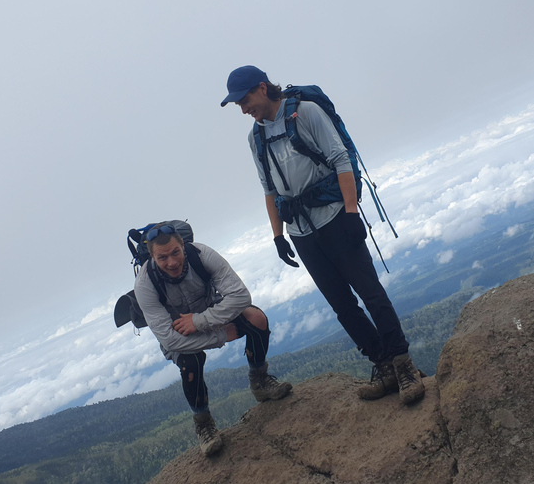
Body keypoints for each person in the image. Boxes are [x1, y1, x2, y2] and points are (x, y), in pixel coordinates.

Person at [220, 65, 424, 405]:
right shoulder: (255, 138)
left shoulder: (305, 112)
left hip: (335, 218)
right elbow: (269, 191)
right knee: (342, 306)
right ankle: (384, 366)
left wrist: (351, 213)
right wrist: (278, 236)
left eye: (244, 100)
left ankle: (404, 366)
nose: (243, 109)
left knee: (370, 294)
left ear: (261, 87)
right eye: (238, 105)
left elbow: (340, 159)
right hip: (301, 231)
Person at [134, 223, 292, 456]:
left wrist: (199, 322)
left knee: (256, 319)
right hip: (179, 333)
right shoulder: (145, 284)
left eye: (175, 252)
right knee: (190, 362)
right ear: (152, 257)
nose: (172, 262)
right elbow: (169, 341)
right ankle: (203, 423)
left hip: (209, 315)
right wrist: (220, 335)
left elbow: (240, 296)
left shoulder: (202, 255)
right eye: (162, 257)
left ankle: (260, 381)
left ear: (183, 247)